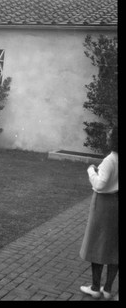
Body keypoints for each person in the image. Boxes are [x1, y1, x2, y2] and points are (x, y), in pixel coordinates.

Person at [79, 125, 118, 300]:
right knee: (114, 246)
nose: (107, 138)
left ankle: (95, 287)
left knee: (98, 243)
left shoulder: (110, 160)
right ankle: (108, 288)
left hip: (104, 205)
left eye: (109, 135)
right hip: (117, 202)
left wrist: (91, 171)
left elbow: (100, 185)